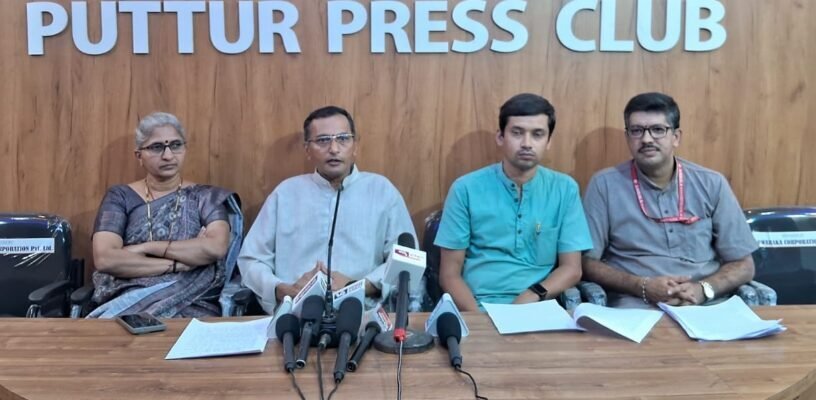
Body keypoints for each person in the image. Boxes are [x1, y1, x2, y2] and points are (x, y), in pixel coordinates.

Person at [582, 92, 757, 308]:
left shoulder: (712, 183)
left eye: (658, 130)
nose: (646, 139)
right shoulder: (604, 185)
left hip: (705, 307)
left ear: (676, 137)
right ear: (628, 137)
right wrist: (641, 286)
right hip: (636, 306)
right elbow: (587, 262)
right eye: (637, 130)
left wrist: (703, 289)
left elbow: (744, 264)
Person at [238, 106, 416, 314]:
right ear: (307, 149)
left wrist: (359, 286)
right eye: (323, 140)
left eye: (343, 138)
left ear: (355, 145)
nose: (333, 148)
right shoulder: (285, 194)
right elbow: (251, 259)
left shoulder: (382, 191)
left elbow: (407, 260)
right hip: (293, 314)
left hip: (360, 315)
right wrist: (282, 289)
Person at [435, 93, 593, 311]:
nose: (527, 143)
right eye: (517, 133)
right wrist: (479, 320)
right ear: (500, 137)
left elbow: (572, 269)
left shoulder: (565, 189)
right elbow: (449, 275)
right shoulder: (466, 189)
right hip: (477, 307)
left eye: (537, 134)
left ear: (548, 141)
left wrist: (531, 296)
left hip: (537, 306)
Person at [90, 112, 241, 318]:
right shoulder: (120, 197)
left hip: (193, 304)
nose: (168, 155)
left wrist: (146, 248)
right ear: (139, 156)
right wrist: (175, 265)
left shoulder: (205, 197)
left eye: (176, 145)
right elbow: (106, 258)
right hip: (130, 303)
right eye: (156, 147)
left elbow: (215, 248)